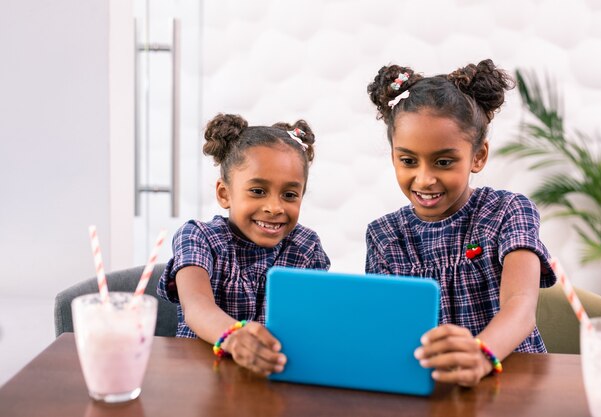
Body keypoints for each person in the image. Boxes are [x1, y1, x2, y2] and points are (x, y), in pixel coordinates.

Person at [365, 59, 556, 387]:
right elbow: (386, 328)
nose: (424, 179)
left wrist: (481, 354)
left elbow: (520, 305)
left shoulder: (507, 211)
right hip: (435, 387)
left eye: (443, 161)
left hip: (514, 382)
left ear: (478, 156)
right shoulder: (384, 236)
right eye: (408, 160)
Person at [158, 113, 330, 376]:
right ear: (224, 194)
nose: (275, 207)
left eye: (289, 195)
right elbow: (196, 306)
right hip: (199, 383)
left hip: (274, 382)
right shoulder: (199, 236)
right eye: (258, 191)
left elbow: (314, 322)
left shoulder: (306, 246)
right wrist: (234, 335)